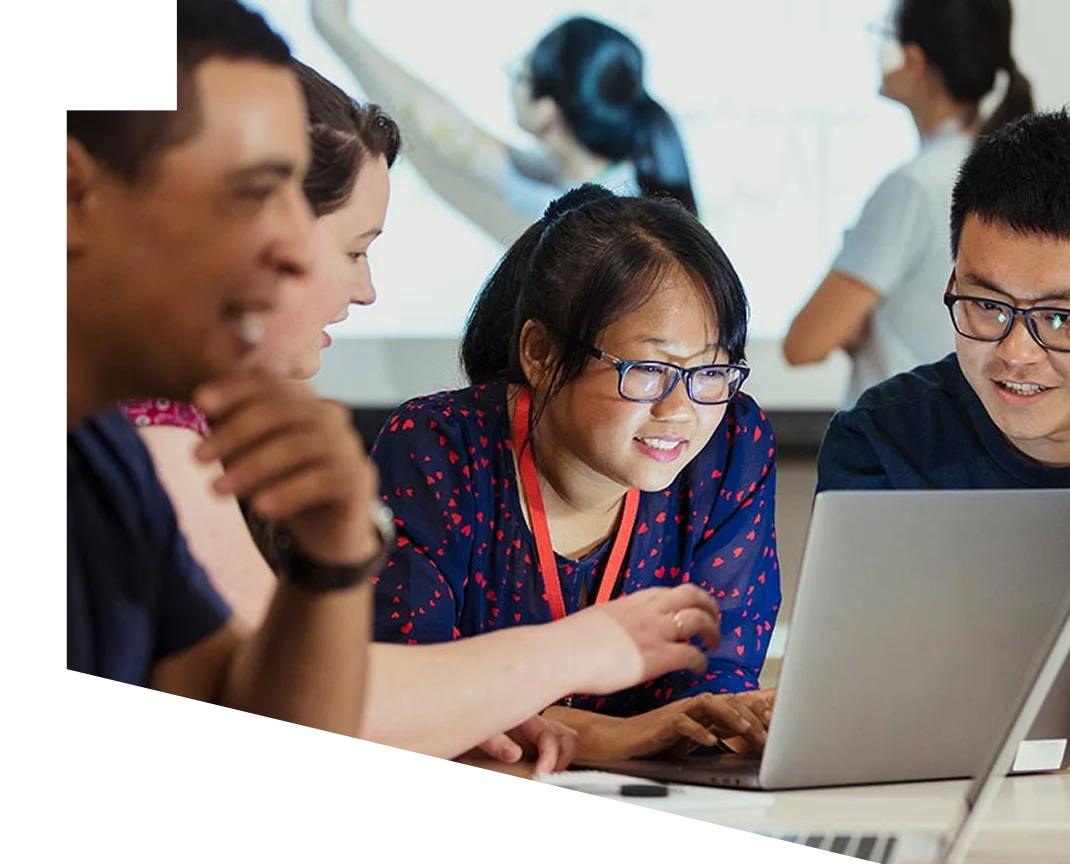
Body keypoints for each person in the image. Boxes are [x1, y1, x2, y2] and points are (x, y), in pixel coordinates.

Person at [113, 58, 726, 773]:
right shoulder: (150, 437)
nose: (365, 290)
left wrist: (467, 710)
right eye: (353, 251)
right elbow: (306, 706)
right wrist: (587, 648)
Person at [814, 105, 1070, 772]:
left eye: (1059, 316)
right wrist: (1060, 719)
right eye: (985, 305)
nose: (1015, 352)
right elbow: (860, 697)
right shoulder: (885, 443)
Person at [370, 184, 781, 761]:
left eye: (711, 372)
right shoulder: (437, 449)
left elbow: (713, 680)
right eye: (648, 370)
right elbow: (403, 689)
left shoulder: (731, 445)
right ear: (539, 353)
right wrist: (602, 735)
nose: (682, 410)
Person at [65, 0, 385, 737]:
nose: (297, 252)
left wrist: (330, 559)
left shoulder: (106, 460)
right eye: (253, 193)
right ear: (74, 196)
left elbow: (236, 695)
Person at [783, 0, 1033, 409]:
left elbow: (804, 343)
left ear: (914, 59)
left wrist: (857, 321)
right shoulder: (1000, 167)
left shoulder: (915, 186)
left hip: (898, 444)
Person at [310, 0, 696, 246]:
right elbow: (453, 134)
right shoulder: (614, 182)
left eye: (521, 75)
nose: (512, 85)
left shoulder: (580, 215)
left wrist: (337, 29)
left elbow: (448, 134)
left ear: (549, 110)